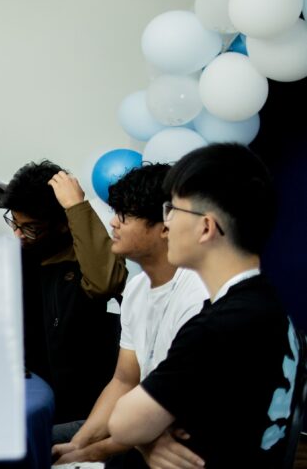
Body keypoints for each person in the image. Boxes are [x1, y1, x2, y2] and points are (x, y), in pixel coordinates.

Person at [109, 144, 304, 469]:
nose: (166, 224)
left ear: (206, 227)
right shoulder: (267, 304)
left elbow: (123, 423)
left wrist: (147, 435)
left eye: (173, 210)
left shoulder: (217, 326)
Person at [51, 164, 208, 467]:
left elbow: (187, 408)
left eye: (124, 215)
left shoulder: (199, 295)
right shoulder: (137, 288)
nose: (113, 223)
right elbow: (124, 380)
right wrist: (77, 445)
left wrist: (97, 451)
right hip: (144, 430)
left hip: (181, 442)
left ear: (165, 226)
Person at [2, 161, 126, 429]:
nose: (18, 234)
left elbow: (106, 283)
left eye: (30, 228)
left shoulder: (84, 261)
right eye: (14, 222)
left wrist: (76, 207)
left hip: (78, 414)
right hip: (23, 404)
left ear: (63, 224)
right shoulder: (17, 259)